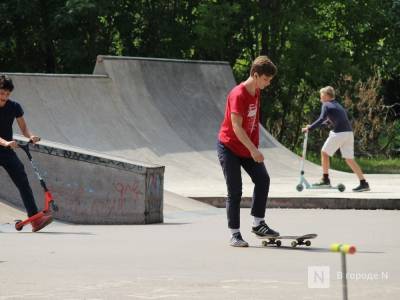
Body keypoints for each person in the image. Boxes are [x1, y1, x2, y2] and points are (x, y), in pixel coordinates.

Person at [217, 56, 280, 247]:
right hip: (229, 147)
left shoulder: (256, 92)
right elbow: (236, 127)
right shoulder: (238, 94)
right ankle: (234, 234)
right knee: (235, 191)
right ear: (255, 75)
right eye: (266, 79)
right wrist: (253, 150)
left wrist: (254, 146)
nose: (268, 84)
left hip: (246, 148)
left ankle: (258, 224)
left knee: (263, 179)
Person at [0, 75, 53, 231]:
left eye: (8, 94)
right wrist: (5, 142)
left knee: (22, 179)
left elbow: (23, 128)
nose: (5, 97)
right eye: (2, 93)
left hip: (7, 151)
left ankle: (35, 220)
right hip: (5, 145)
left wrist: (30, 136)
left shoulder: (15, 107)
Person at [302, 86, 370, 192]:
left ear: (327, 96)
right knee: (349, 159)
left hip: (339, 133)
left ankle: (325, 179)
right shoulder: (337, 105)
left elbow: (321, 119)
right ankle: (364, 183)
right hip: (348, 133)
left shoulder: (326, 104)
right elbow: (328, 121)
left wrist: (309, 128)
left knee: (324, 153)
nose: (320, 97)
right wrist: (312, 126)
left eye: (322, 95)